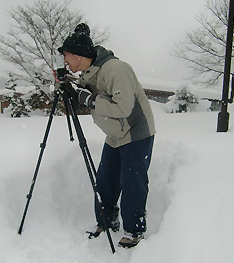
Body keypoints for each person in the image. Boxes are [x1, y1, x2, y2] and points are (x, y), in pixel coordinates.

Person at [56, 23, 156, 249]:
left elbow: (123, 108)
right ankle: (106, 221)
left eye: (67, 57)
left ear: (79, 55)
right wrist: (65, 85)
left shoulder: (115, 69)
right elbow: (83, 94)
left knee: (132, 182)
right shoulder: (88, 72)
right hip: (115, 134)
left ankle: (134, 230)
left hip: (136, 132)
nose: (66, 62)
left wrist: (88, 99)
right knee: (106, 180)